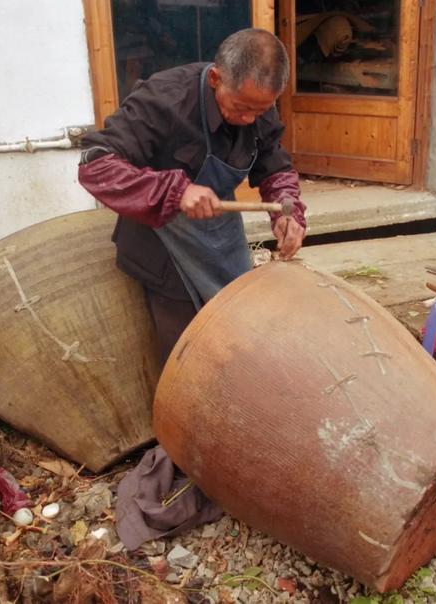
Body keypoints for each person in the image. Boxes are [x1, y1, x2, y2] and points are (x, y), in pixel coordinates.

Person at [78, 28, 306, 365]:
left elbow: (273, 165)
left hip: (221, 238)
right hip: (162, 244)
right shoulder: (164, 99)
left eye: (259, 111)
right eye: (240, 108)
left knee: (239, 331)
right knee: (188, 353)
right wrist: (175, 190)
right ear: (216, 78)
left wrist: (288, 211)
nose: (249, 119)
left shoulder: (258, 105)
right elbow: (94, 164)